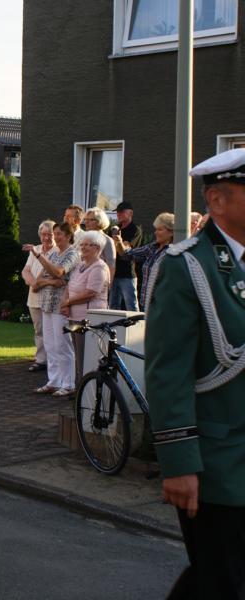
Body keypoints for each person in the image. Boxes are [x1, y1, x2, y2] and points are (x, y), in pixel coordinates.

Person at [145, 148, 245, 598]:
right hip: (218, 464)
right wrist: (179, 464)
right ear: (218, 201)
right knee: (223, 580)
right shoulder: (188, 266)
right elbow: (169, 373)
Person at [32, 222, 80, 397]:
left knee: (62, 345)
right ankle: (54, 381)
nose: (56, 237)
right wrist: (50, 281)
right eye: (55, 233)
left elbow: (59, 273)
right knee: (50, 345)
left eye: (59, 234)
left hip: (61, 305)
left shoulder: (73, 254)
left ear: (68, 236)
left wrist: (41, 260)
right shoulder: (53, 254)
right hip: (47, 304)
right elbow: (39, 281)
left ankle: (68, 384)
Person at [61, 230, 110, 381]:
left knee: (87, 357)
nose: (83, 247)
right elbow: (69, 285)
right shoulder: (80, 265)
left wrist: (68, 302)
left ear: (98, 248)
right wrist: (66, 304)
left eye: (88, 245)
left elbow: (90, 293)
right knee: (78, 356)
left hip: (89, 319)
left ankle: (88, 389)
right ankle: (80, 387)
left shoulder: (99, 267)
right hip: (75, 317)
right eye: (82, 244)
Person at [115, 212, 174, 311]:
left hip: (162, 305)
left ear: (171, 232)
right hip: (146, 303)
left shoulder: (173, 252)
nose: (155, 232)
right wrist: (119, 242)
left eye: (160, 229)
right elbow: (127, 255)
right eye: (156, 229)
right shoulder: (152, 247)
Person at [21, 220, 55, 373]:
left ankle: (53, 361)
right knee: (39, 330)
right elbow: (26, 270)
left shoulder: (58, 251)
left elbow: (51, 273)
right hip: (34, 297)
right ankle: (41, 360)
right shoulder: (35, 250)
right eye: (43, 234)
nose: (46, 237)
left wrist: (38, 284)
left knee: (52, 331)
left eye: (50, 234)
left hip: (51, 296)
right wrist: (33, 283)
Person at [108, 201, 143, 311]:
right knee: (112, 306)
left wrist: (119, 243)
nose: (118, 214)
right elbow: (109, 248)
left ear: (130, 213)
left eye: (121, 212)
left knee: (131, 306)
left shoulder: (135, 230)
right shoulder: (114, 229)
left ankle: (136, 323)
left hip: (127, 274)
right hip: (114, 272)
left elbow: (127, 250)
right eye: (117, 212)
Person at [83, 207, 116, 281]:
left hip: (99, 279)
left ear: (100, 221)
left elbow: (111, 265)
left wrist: (108, 284)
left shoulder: (107, 240)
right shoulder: (83, 238)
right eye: (86, 219)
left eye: (91, 220)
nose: (86, 222)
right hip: (82, 279)